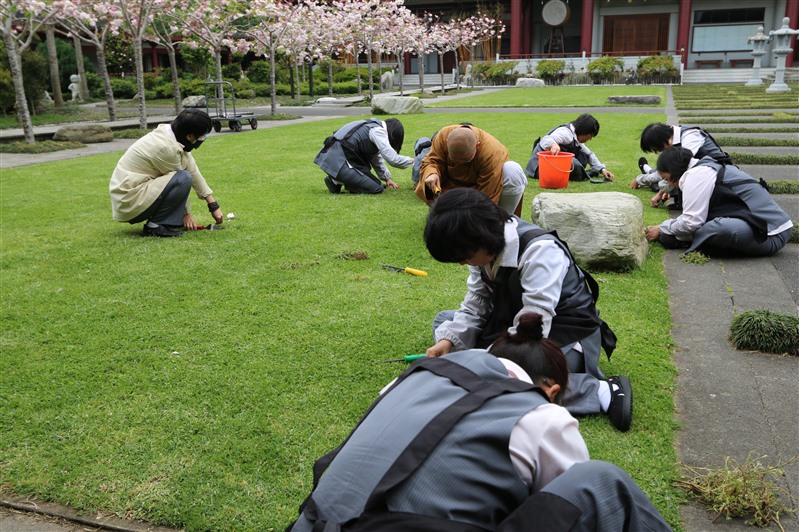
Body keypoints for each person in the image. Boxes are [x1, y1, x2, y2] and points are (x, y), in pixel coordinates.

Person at [287, 313, 670, 531]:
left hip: (314, 522)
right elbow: (558, 505)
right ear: (552, 390)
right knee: (599, 482)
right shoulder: (542, 416)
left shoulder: (413, 376)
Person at [423, 188, 632, 432]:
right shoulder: (483, 249)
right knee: (445, 322)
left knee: (504, 380)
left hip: (562, 335)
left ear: (480, 237)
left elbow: (535, 323)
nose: (461, 262)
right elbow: (477, 300)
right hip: (515, 321)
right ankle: (481, 369)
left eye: (463, 255)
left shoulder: (540, 251)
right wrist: (450, 341)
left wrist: (484, 363)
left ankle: (600, 390)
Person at [645, 147, 792, 257]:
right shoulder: (703, 166)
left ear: (674, 170)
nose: (669, 184)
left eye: (667, 179)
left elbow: (691, 222)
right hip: (761, 228)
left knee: (719, 227)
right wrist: (666, 227)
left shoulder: (697, 175)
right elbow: (694, 216)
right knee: (703, 225)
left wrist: (663, 228)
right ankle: (680, 237)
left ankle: (681, 238)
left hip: (770, 234)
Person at [109, 109, 223, 237]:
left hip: (136, 193)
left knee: (184, 175)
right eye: (202, 135)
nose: (203, 138)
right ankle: (155, 225)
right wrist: (186, 214)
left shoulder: (173, 135)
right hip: (129, 200)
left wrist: (213, 205)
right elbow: (180, 179)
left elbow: (192, 169)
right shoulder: (166, 148)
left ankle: (166, 222)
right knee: (183, 177)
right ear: (190, 137)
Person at [415, 123, 527, 215]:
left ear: (477, 146)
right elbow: (432, 161)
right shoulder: (442, 136)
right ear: (447, 142)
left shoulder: (492, 153)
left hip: (478, 191)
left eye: (465, 161)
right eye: (453, 160)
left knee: (512, 169)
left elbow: (487, 196)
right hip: (449, 191)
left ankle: (504, 219)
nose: (458, 165)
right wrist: (432, 173)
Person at [634, 122, 732, 209]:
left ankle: (648, 171)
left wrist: (641, 180)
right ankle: (648, 170)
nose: (662, 152)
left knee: (663, 182)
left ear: (662, 141)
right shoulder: (677, 137)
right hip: (706, 173)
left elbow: (676, 170)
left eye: (659, 149)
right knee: (664, 180)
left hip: (719, 177)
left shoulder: (690, 137)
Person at [314, 118, 412, 194]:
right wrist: (415, 160)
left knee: (378, 184)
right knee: (376, 188)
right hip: (338, 162)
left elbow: (376, 158)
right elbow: (393, 159)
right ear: (393, 135)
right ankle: (335, 181)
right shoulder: (378, 131)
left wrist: (387, 178)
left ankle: (337, 181)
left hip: (334, 158)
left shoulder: (371, 124)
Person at [525, 114, 615, 182]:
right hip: (539, 168)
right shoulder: (565, 133)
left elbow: (589, 154)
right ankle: (584, 174)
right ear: (584, 131)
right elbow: (546, 139)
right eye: (590, 135)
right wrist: (553, 145)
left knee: (583, 156)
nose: (590, 139)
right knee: (574, 163)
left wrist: (602, 170)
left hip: (550, 166)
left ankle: (585, 173)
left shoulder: (575, 137)